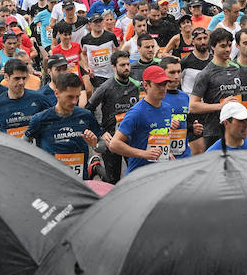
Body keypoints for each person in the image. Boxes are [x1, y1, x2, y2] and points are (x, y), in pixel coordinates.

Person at [26, 73, 104, 179]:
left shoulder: (85, 115)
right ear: (57, 93)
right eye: (70, 97)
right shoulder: (40, 119)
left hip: (80, 181)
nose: (74, 101)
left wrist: (95, 145)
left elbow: (102, 147)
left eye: (77, 97)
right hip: (52, 180)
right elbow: (23, 146)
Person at [86, 50, 141, 183]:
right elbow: (87, 111)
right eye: (122, 65)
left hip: (131, 137)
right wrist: (101, 132)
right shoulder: (105, 87)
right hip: (111, 138)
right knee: (113, 181)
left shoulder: (136, 85)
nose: (127, 68)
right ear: (114, 67)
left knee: (136, 177)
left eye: (128, 64)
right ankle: (96, 168)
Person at [109, 65, 175, 173]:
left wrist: (167, 154)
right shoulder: (136, 112)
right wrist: (144, 154)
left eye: (165, 84)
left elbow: (160, 139)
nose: (163, 88)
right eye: (158, 85)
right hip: (139, 175)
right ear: (146, 85)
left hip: (160, 172)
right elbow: (114, 144)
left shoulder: (167, 108)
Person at [190, 28, 242, 154]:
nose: (228, 49)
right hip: (214, 131)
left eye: (229, 45)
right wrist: (221, 106)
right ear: (213, 46)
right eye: (223, 46)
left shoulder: (236, 68)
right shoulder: (205, 74)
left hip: (236, 128)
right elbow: (193, 106)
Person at [0, 58, 51, 137]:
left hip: (32, 149)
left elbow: (53, 121)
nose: (21, 82)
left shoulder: (38, 98)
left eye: (24, 78)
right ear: (6, 77)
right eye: (17, 78)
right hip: (10, 148)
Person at [81, 14, 119, 89]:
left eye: (100, 21)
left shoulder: (111, 36)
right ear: (90, 24)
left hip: (110, 73)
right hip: (95, 75)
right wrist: (86, 67)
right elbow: (83, 54)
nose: (98, 24)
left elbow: (117, 51)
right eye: (95, 22)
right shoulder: (85, 40)